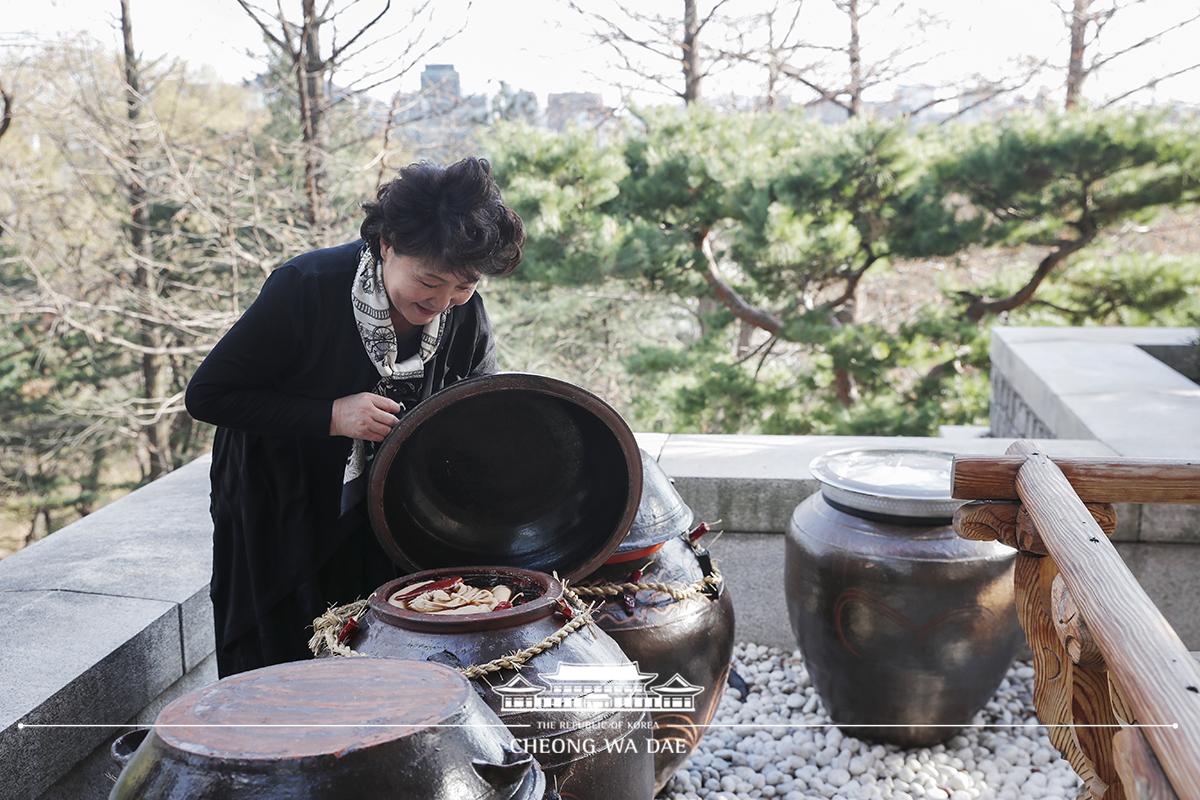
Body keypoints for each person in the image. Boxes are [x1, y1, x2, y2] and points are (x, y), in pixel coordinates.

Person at [185, 157, 525, 677]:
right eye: (429, 281)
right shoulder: (305, 286)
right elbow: (208, 395)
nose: (443, 302)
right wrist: (332, 415)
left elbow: (478, 411)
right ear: (387, 245)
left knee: (374, 654)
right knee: (280, 657)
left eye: (464, 285)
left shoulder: (463, 310)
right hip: (279, 505)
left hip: (383, 514)